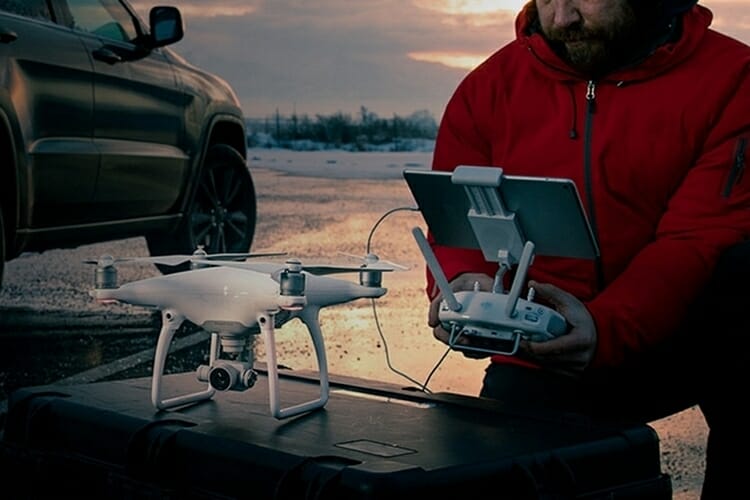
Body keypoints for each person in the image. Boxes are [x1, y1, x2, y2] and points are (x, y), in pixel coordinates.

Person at [424, 1, 750, 498]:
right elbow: (456, 219)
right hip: (543, 345)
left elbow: (696, 239)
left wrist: (604, 327)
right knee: (498, 478)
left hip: (692, 336)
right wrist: (463, 285)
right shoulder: (490, 87)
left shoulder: (735, 80)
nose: (561, 20)